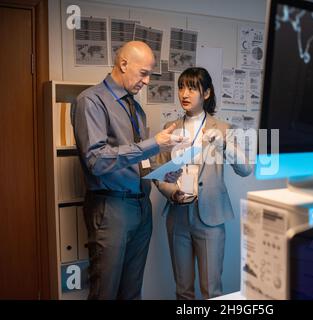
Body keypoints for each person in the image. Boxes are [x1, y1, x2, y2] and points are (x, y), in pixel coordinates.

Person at [71, 41, 184, 299]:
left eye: (149, 75)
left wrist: (159, 171)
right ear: (123, 64)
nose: (147, 81)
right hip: (111, 209)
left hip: (141, 208)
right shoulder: (91, 100)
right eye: (143, 73)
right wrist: (153, 143)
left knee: (132, 293)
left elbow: (137, 159)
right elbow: (96, 160)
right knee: (105, 293)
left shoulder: (136, 108)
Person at [155, 67, 252, 299]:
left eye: (191, 88)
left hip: (211, 217)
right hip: (178, 217)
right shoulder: (169, 129)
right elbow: (159, 175)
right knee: (183, 290)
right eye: (181, 87)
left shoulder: (224, 129)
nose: (184, 94)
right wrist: (172, 192)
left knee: (212, 290)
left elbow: (246, 169)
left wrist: (225, 146)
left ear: (206, 93)